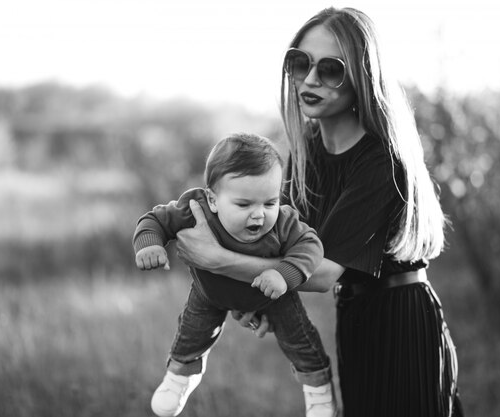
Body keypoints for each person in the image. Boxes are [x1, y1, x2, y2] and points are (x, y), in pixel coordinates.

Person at [173, 7, 464, 417]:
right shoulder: (307, 151)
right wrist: (249, 299)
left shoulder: (381, 160)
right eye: (300, 63)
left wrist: (215, 259)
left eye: (330, 70)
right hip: (355, 317)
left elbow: (321, 272)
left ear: (362, 77)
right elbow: (275, 246)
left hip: (402, 322)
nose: (309, 80)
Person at [133, 133, 336, 417]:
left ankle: (318, 390)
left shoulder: (285, 222)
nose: (259, 215)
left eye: (269, 203)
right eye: (244, 205)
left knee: (300, 340)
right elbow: (155, 219)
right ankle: (179, 377)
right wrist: (149, 243)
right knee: (192, 333)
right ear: (213, 200)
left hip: (273, 294)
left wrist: (283, 274)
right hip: (210, 294)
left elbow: (311, 246)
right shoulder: (196, 209)